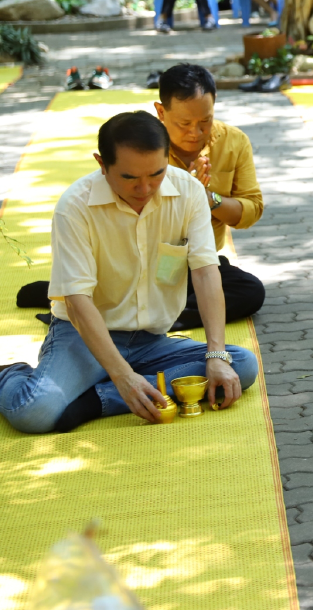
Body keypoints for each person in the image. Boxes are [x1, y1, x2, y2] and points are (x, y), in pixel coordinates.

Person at [0, 111, 259, 434]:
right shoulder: (75, 206)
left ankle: (94, 400)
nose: (144, 188)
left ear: (167, 158)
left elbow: (206, 273)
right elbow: (77, 300)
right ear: (101, 163)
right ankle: (9, 374)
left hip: (150, 340)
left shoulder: (189, 191)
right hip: (83, 337)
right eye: (129, 177)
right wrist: (123, 376)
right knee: (34, 412)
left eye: (156, 174)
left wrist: (217, 354)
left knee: (241, 365)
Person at [151, 64, 267, 327]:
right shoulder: (142, 144)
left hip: (200, 263)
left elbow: (251, 210)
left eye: (205, 121)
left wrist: (207, 198)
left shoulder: (234, 142)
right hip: (148, 260)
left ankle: (152, 316)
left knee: (250, 292)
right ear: (160, 111)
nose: (195, 132)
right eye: (184, 123)